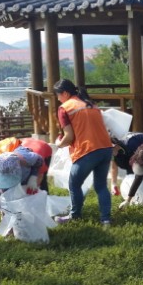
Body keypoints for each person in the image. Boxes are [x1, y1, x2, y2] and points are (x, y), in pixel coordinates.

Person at [53, 79, 114, 226]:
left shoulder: (64, 108)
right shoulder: (91, 104)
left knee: (74, 184)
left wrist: (58, 144)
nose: (58, 99)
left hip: (87, 150)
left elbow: (69, 137)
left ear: (65, 93)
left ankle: (75, 216)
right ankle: (106, 219)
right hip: (106, 148)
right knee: (101, 186)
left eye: (58, 95)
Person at [0, 148, 43, 243]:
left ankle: (29, 227)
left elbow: (39, 162)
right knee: (6, 204)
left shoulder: (26, 159)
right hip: (16, 178)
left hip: (26, 179)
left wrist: (33, 176)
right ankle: (10, 230)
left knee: (26, 203)